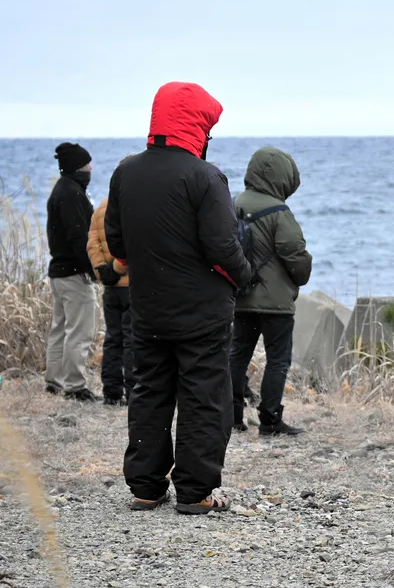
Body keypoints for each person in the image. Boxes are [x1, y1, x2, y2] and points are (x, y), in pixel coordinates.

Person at [104, 81, 251, 515]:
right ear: (197, 127)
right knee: (203, 396)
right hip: (202, 313)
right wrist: (244, 277)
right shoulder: (206, 177)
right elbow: (221, 248)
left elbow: (118, 244)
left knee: (148, 392)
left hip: (147, 307)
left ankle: (146, 488)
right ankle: (195, 492)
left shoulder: (126, 172)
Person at [228, 147, 312, 436]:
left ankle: (232, 416)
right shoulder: (279, 212)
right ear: (281, 177)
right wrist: (302, 274)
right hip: (275, 303)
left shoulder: (232, 203)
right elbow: (295, 254)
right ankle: (270, 419)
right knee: (277, 360)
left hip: (240, 297)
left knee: (236, 356)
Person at [45, 142, 99, 402]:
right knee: (80, 331)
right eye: (87, 165)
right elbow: (80, 238)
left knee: (59, 329)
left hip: (58, 272)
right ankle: (75, 386)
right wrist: (94, 270)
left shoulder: (60, 189)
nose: (91, 169)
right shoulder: (73, 194)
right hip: (74, 274)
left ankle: (53, 382)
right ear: (78, 168)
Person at [86, 160, 135, 406]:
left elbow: (92, 244)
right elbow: (132, 247)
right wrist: (117, 269)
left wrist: (102, 271)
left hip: (111, 288)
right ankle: (132, 390)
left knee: (112, 338)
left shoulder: (101, 209)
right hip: (132, 286)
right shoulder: (134, 208)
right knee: (132, 339)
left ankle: (111, 391)